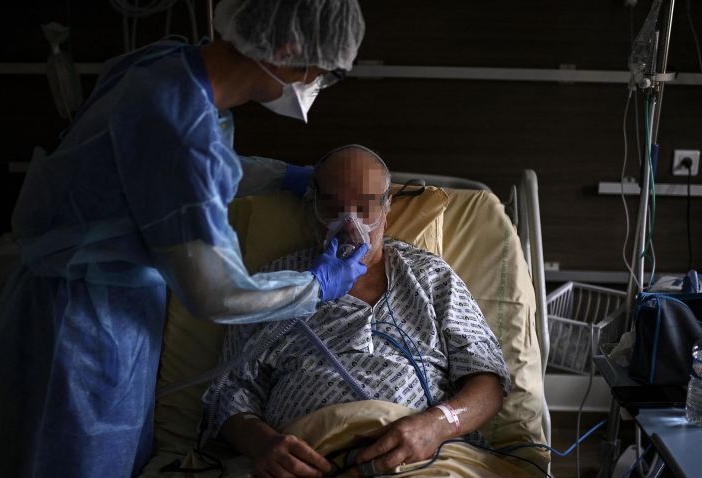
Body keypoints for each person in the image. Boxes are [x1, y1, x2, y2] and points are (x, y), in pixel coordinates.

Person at [0, 1, 366, 477]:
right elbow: (215, 291)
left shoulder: (165, 66)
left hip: (85, 306)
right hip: (79, 336)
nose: (316, 87)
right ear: (286, 50)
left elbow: (166, 173)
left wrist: (281, 176)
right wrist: (315, 286)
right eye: (322, 75)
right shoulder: (180, 126)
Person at [203, 145, 511, 478]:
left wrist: (437, 425)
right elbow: (227, 392)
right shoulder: (276, 284)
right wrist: (262, 445)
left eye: (364, 208)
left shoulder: (431, 276)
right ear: (313, 204)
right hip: (306, 460)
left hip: (420, 460)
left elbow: (488, 381)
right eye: (333, 207)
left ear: (387, 205)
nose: (349, 225)